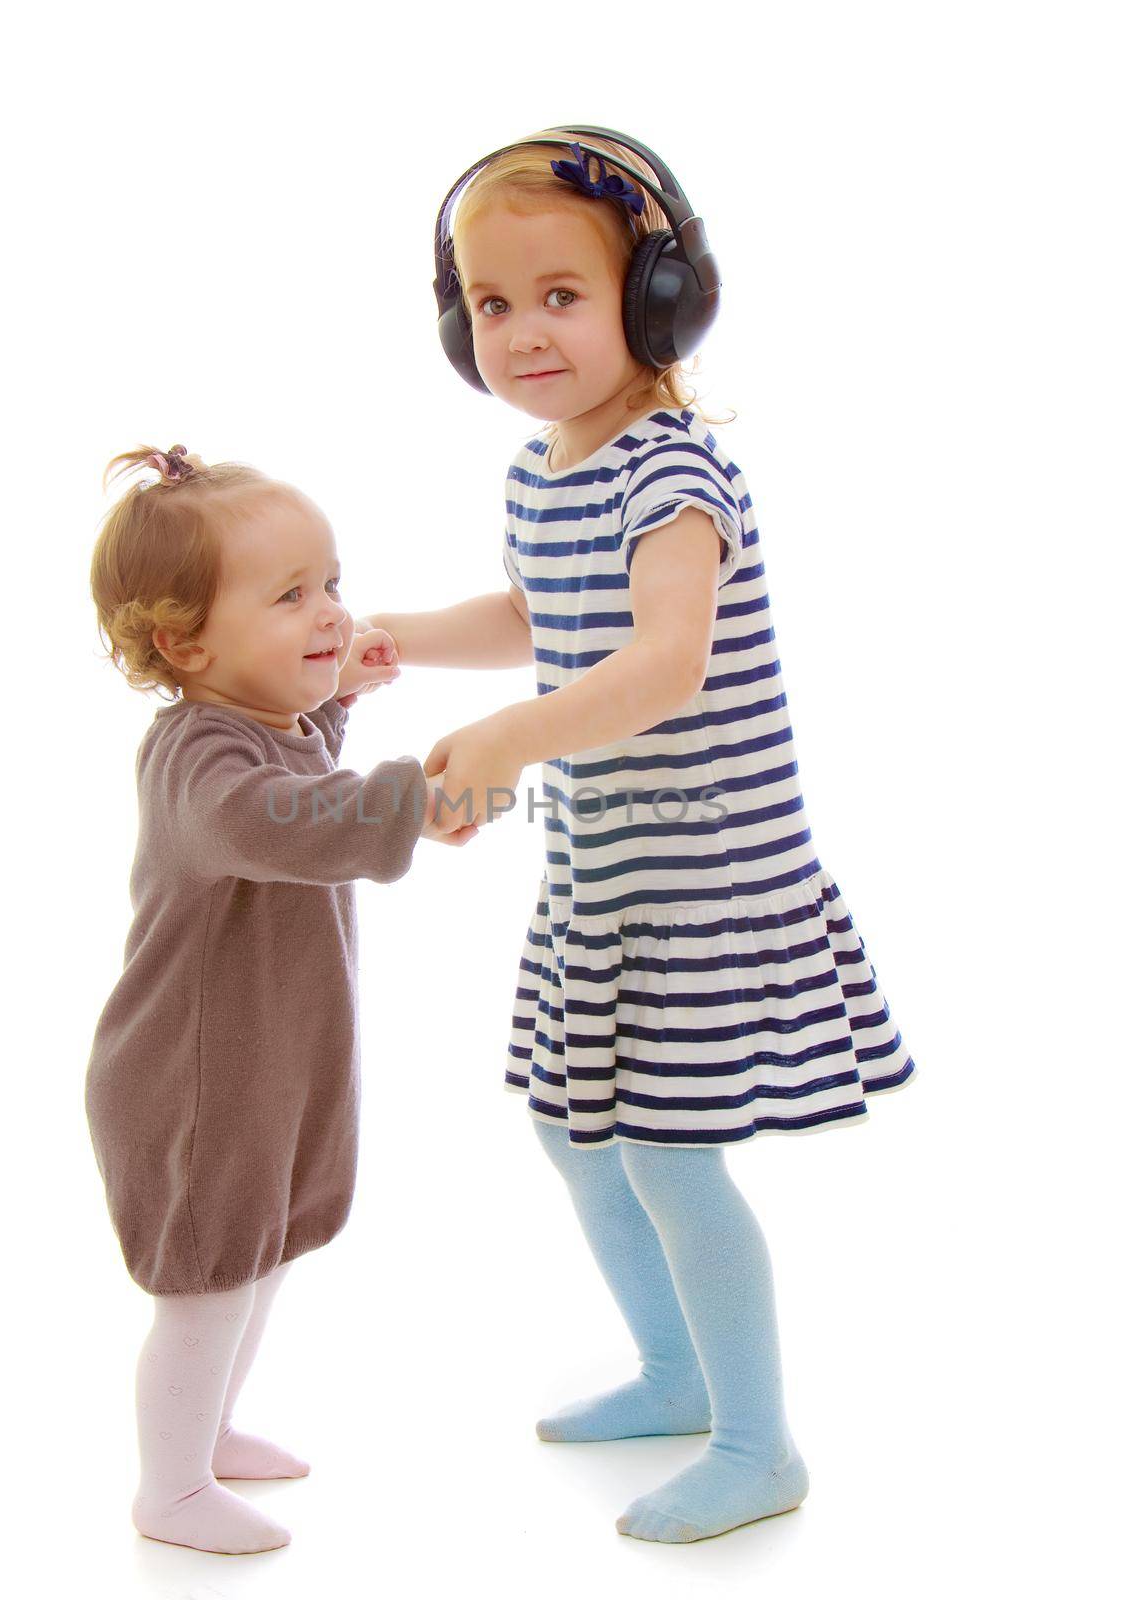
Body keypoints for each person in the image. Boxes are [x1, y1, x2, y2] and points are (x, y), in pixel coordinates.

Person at [358, 129, 917, 1544]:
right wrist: (393, 642)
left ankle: (758, 1442)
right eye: (490, 303)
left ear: (659, 301)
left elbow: (663, 665)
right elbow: (542, 620)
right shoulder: (547, 471)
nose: (521, 330)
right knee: (570, 1130)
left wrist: (503, 746)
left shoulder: (672, 478)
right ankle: (674, 1370)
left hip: (706, 882)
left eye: (562, 294)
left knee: (670, 1156)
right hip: (606, 875)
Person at [84, 445, 474, 1555]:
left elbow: (293, 771)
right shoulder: (194, 761)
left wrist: (338, 700)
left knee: (258, 1260)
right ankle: (168, 1487)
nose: (329, 613)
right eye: (291, 595)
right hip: (190, 1081)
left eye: (333, 583)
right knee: (209, 1280)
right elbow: (271, 820)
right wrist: (412, 801)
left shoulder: (257, 729)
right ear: (184, 643)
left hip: (265, 1065)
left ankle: (203, 1432)